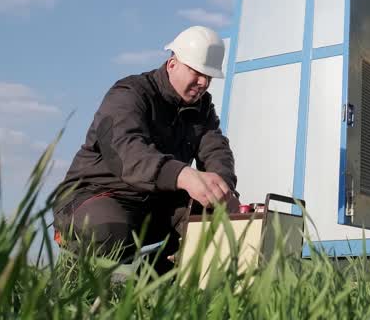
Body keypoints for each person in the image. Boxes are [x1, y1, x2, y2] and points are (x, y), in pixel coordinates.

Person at [52, 25, 238, 266]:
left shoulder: (202, 108)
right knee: (107, 232)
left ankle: (157, 280)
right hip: (96, 194)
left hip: (153, 203)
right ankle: (77, 277)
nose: (203, 82)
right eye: (196, 71)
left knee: (210, 218)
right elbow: (125, 150)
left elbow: (215, 149)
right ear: (173, 64)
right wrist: (182, 175)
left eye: (209, 76)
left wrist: (223, 188)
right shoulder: (129, 94)